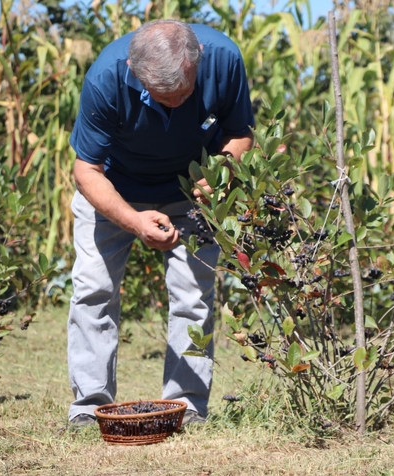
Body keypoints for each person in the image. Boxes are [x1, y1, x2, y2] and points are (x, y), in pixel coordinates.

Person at [66, 19, 254, 427]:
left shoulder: (223, 58)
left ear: (197, 61)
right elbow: (86, 172)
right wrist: (134, 221)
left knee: (194, 295)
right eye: (160, 96)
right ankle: (88, 407)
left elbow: (240, 137)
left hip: (193, 190)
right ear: (135, 71)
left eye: (183, 94)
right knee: (93, 290)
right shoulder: (106, 75)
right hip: (113, 189)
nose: (174, 104)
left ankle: (187, 407)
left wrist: (219, 176)